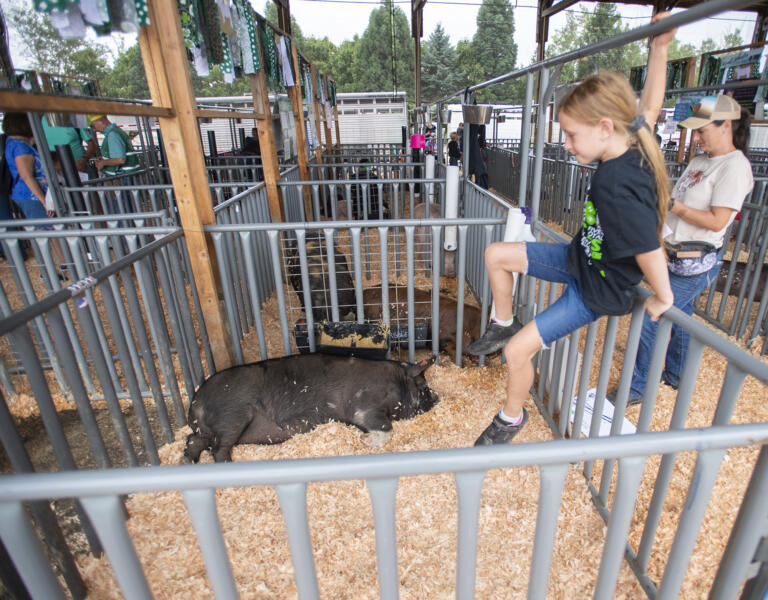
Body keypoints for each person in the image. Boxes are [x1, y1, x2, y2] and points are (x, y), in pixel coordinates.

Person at [466, 13, 676, 446]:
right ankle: (502, 320)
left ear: (604, 128)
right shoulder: (633, 143)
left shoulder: (616, 182)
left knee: (516, 353)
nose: (565, 143)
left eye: (570, 134)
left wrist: (664, 294)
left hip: (596, 288)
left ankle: (511, 417)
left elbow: (646, 246)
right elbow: (650, 108)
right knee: (496, 255)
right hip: (578, 257)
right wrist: (660, 48)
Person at [616, 94, 754, 405]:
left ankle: (636, 388)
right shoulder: (700, 161)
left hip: (698, 262)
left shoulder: (735, 167)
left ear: (726, 126)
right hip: (672, 253)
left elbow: (718, 221)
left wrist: (672, 205)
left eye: (702, 130)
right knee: (682, 316)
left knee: (652, 316)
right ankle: (676, 375)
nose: (697, 136)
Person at [3, 112, 67, 274]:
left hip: (34, 195)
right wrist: (43, 200)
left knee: (50, 230)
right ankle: (49, 272)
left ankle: (62, 264)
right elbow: (26, 175)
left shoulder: (17, 143)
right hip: (32, 196)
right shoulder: (19, 147)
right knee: (45, 231)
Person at [42, 116, 98, 181]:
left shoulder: (75, 117)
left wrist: (83, 160)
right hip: (57, 173)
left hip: (81, 170)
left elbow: (92, 145)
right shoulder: (41, 121)